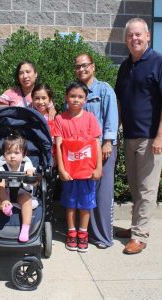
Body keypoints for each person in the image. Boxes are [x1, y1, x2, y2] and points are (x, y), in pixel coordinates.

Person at [115, 18, 162, 254]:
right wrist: (116, 132)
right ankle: (135, 226)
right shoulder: (125, 67)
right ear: (126, 40)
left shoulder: (158, 62)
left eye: (138, 35)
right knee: (135, 186)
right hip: (130, 135)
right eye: (130, 35)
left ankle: (140, 236)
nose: (134, 39)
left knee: (147, 188)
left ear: (148, 36)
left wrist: (160, 137)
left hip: (151, 137)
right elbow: (120, 102)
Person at [74, 53, 118, 249]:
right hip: (83, 151)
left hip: (103, 148)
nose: (81, 69)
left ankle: (103, 237)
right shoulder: (76, 91)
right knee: (87, 191)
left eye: (85, 65)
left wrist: (108, 142)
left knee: (103, 193)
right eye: (78, 66)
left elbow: (112, 117)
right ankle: (89, 233)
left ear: (93, 67)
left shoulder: (104, 89)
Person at [55, 81, 102, 252]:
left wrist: (98, 168)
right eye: (72, 96)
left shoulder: (90, 118)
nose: (76, 100)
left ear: (85, 99)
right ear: (66, 97)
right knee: (71, 204)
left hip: (87, 172)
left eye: (80, 97)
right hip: (69, 172)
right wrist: (61, 168)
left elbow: (96, 144)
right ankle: (71, 232)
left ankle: (83, 234)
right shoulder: (60, 119)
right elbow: (59, 146)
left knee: (86, 205)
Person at [0, 133, 35, 242]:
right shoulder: (2, 168)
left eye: (16, 153)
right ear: (3, 155)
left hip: (21, 193)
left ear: (24, 154)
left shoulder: (27, 166)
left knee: (27, 199)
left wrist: (30, 174)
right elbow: (1, 186)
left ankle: (25, 228)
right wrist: (4, 200)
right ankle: (3, 206)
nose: (12, 156)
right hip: (5, 193)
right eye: (8, 153)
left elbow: (34, 182)